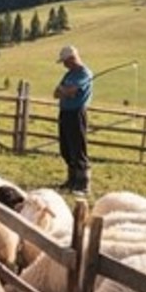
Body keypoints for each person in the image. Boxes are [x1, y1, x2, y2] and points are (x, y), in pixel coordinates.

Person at [53, 44, 92, 195]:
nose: (63, 64)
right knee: (66, 148)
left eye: (65, 61)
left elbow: (71, 90)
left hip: (76, 113)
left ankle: (83, 183)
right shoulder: (69, 74)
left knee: (78, 147)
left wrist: (65, 91)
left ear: (72, 59)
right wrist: (65, 91)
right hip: (65, 112)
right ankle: (72, 180)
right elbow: (57, 93)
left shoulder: (84, 73)